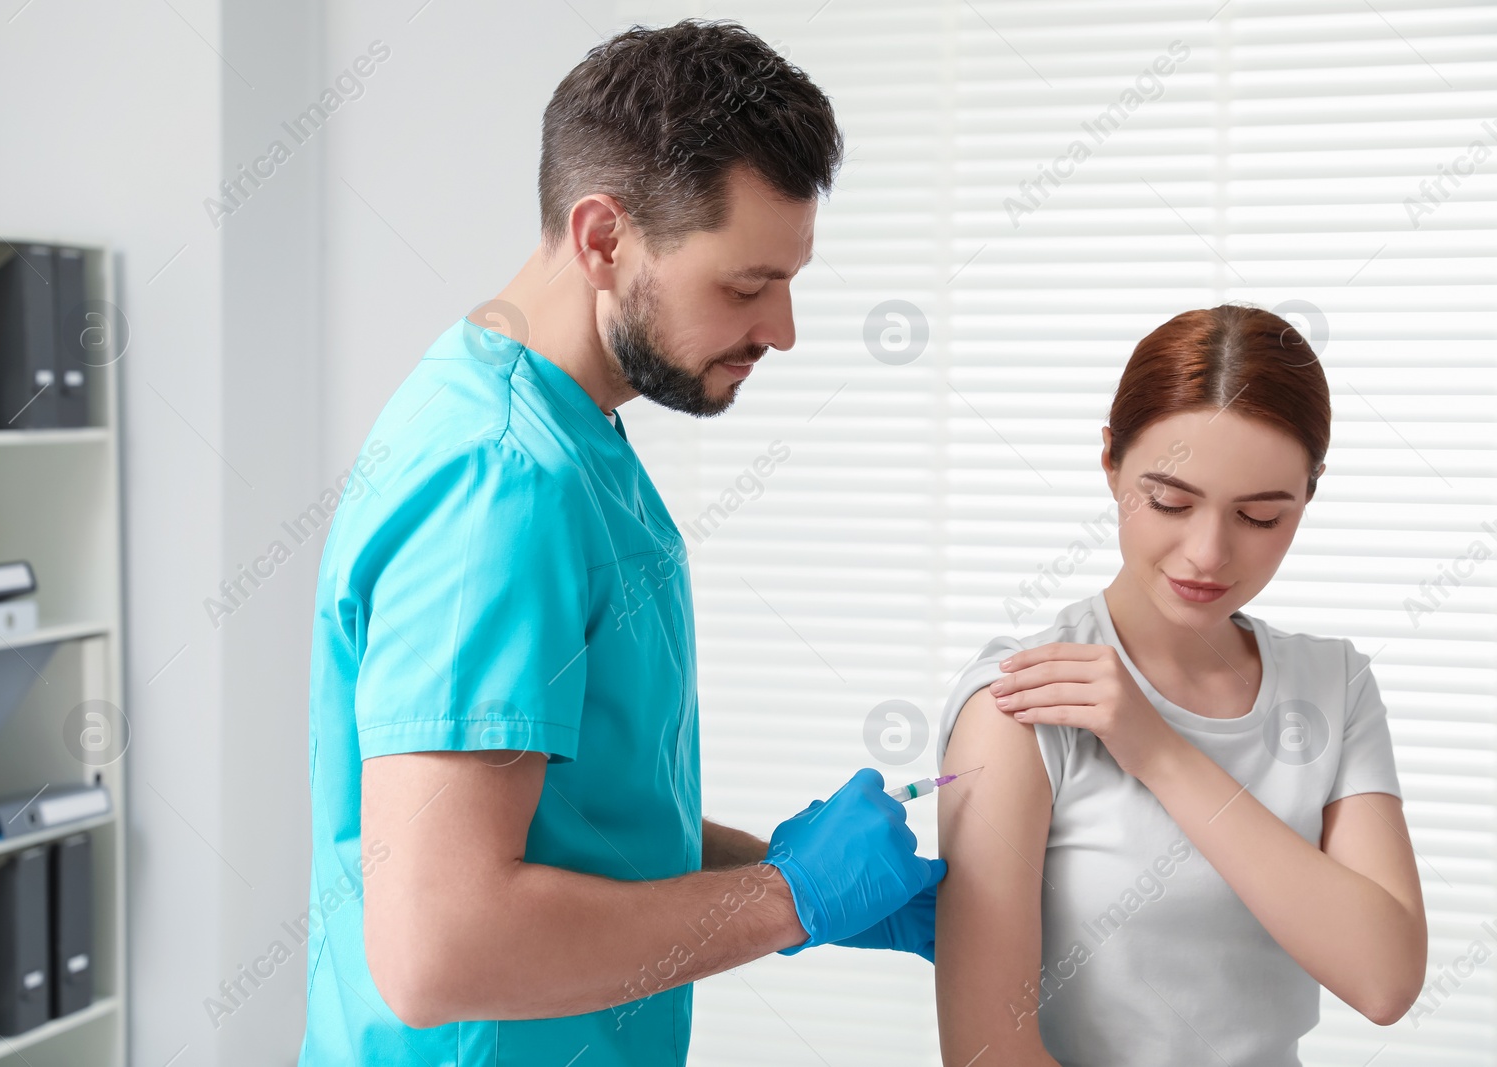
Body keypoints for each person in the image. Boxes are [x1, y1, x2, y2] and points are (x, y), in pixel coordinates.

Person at [299, 20, 944, 1066]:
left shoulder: (567, 431)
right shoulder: (497, 482)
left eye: (790, 279)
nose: (782, 329)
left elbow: (568, 817)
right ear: (604, 238)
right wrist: (786, 899)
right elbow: (438, 949)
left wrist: (779, 870)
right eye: (744, 285)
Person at [933, 304, 1427, 1066]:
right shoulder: (1023, 706)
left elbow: (1385, 978)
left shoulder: (1334, 686)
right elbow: (986, 1053)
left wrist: (1159, 751)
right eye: (1170, 502)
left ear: (1308, 495)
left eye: (1260, 516)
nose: (1208, 552)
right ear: (1110, 463)